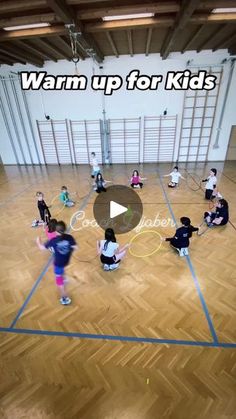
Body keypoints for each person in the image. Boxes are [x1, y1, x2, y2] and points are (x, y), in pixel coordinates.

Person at [36, 221, 77, 305]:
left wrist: (38, 241)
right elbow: (75, 247)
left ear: (55, 231)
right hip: (66, 261)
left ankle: (64, 298)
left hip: (58, 264)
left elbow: (41, 248)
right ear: (65, 229)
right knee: (62, 270)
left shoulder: (53, 241)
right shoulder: (69, 237)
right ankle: (64, 278)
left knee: (59, 280)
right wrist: (67, 250)